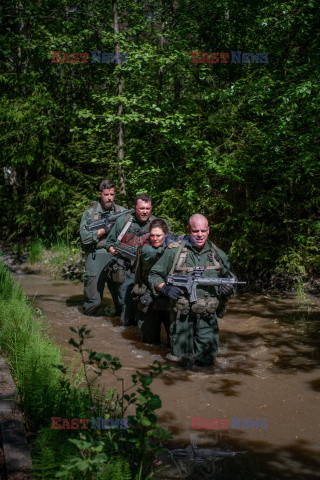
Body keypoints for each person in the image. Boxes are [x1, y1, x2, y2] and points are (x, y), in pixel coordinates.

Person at [148, 214, 236, 368]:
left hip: (208, 320)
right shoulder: (174, 253)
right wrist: (165, 288)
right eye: (195, 231)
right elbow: (154, 275)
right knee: (181, 365)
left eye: (203, 231)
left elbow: (232, 282)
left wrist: (228, 290)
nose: (200, 235)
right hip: (181, 320)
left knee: (207, 365)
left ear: (208, 230)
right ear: (188, 230)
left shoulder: (219, 256)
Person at [105, 193, 158, 326]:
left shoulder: (157, 224)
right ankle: (125, 336)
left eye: (147, 208)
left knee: (148, 306)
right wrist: (116, 252)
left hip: (148, 273)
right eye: (141, 208)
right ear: (134, 208)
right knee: (127, 306)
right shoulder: (123, 222)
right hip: (127, 271)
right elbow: (109, 243)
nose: (145, 212)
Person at [80, 179, 126, 316]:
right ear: (100, 194)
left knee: (123, 302)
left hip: (116, 255)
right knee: (93, 302)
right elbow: (85, 237)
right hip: (96, 254)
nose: (109, 197)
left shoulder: (121, 211)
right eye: (106, 194)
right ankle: (85, 327)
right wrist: (103, 230)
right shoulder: (89, 213)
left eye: (112, 194)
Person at [134, 219, 171, 344]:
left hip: (168, 296)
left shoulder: (173, 248)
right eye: (152, 235)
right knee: (149, 343)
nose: (155, 238)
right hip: (148, 295)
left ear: (166, 234)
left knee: (174, 340)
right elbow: (152, 255)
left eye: (158, 235)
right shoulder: (146, 249)